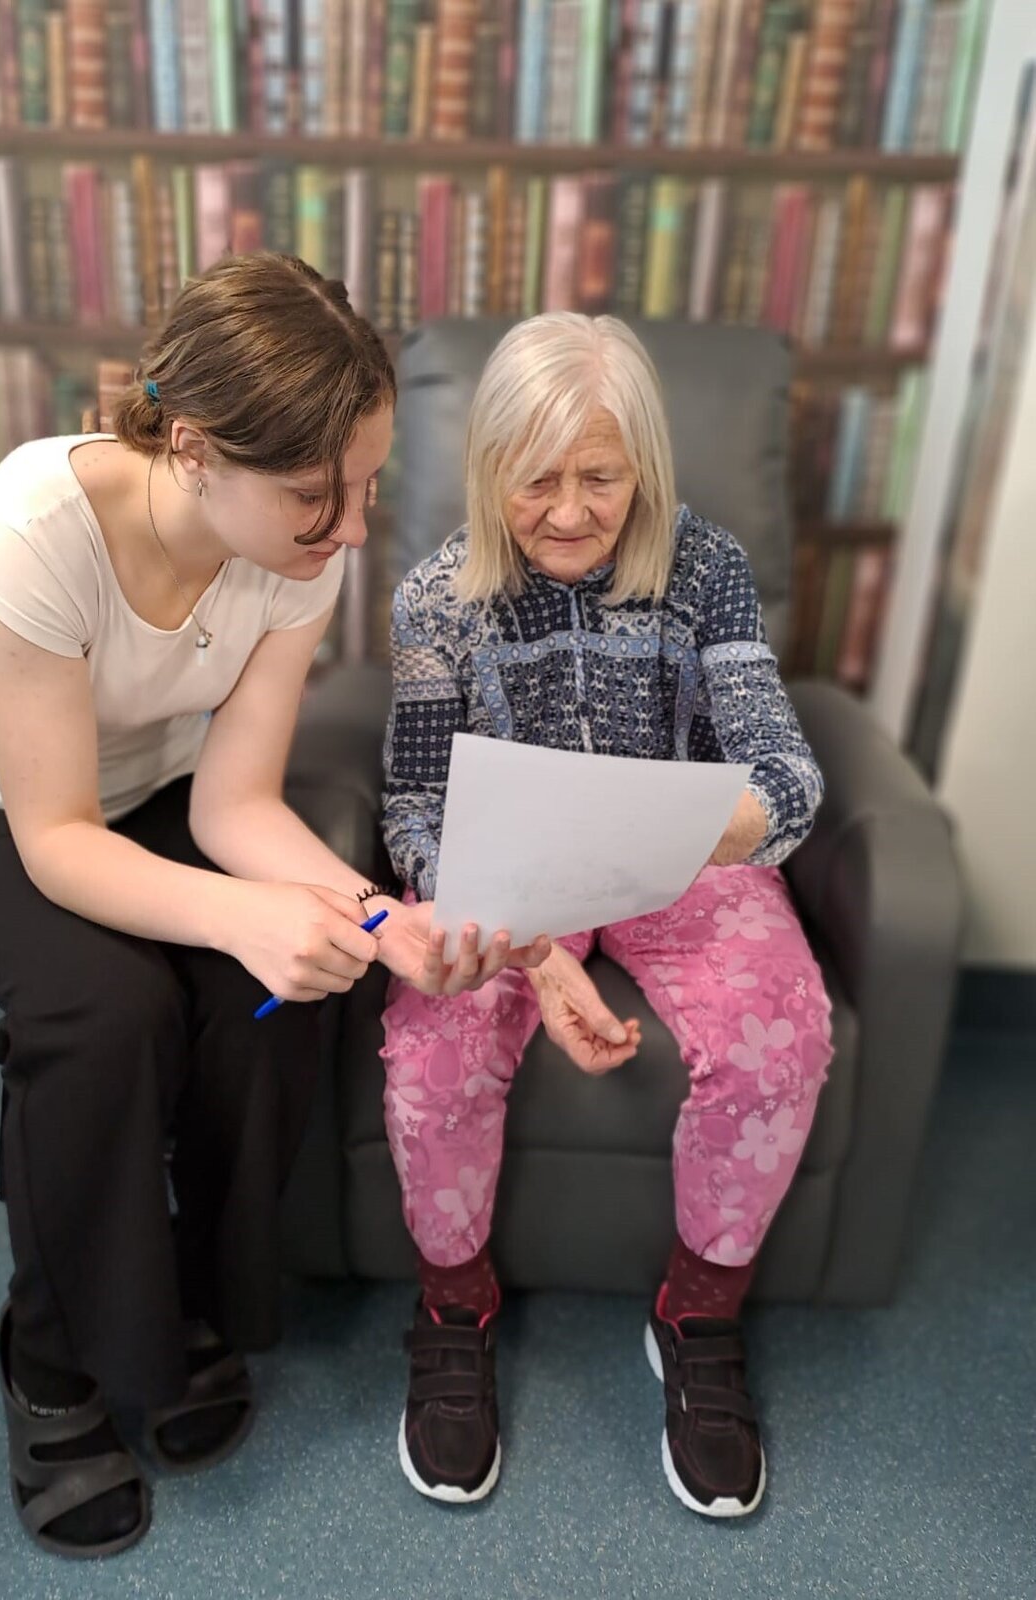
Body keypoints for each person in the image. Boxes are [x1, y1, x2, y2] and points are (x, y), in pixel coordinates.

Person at [0, 253, 547, 1559]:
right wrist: (244, 916)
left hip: (154, 798)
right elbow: (57, 841)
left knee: (266, 1000)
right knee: (103, 1011)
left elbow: (234, 806)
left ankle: (181, 1307)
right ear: (190, 449)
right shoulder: (26, 531)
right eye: (316, 495)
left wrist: (380, 925)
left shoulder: (297, 550)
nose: (349, 528)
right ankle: (51, 1367)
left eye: (364, 485)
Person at [379, 312, 834, 1517]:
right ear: (487, 468)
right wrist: (530, 951)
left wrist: (688, 824)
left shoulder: (707, 568)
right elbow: (413, 811)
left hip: (688, 859)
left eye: (601, 477)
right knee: (434, 1045)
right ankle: (453, 1303)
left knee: (782, 1033)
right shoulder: (434, 597)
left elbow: (784, 776)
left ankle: (697, 1312)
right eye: (536, 480)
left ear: (644, 466)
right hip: (506, 871)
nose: (572, 513)